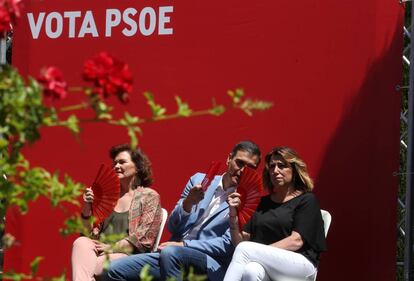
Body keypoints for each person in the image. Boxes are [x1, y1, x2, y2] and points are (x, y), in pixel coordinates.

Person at [105, 141, 261, 281]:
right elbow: (172, 227)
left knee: (171, 254)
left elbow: (226, 245)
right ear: (229, 159)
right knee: (112, 271)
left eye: (250, 168)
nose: (242, 171)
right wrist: (188, 203)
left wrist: (184, 245)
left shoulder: (248, 200)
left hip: (211, 262)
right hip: (170, 253)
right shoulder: (199, 180)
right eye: (239, 163)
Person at [224, 146, 327, 281]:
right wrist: (233, 215)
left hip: (301, 264)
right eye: (272, 167)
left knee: (247, 250)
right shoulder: (261, 204)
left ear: (294, 170)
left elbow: (296, 241)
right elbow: (240, 243)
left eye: (282, 166)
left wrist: (258, 251)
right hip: (267, 262)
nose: (275, 171)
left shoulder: (306, 200)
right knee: (251, 270)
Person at [71, 144, 163, 281]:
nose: (116, 166)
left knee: (90, 266)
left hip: (127, 255)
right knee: (80, 242)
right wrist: (86, 206)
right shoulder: (107, 197)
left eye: (122, 162)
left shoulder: (149, 196)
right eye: (114, 163)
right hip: (98, 250)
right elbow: (86, 233)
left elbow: (144, 239)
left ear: (137, 167)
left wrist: (111, 248)